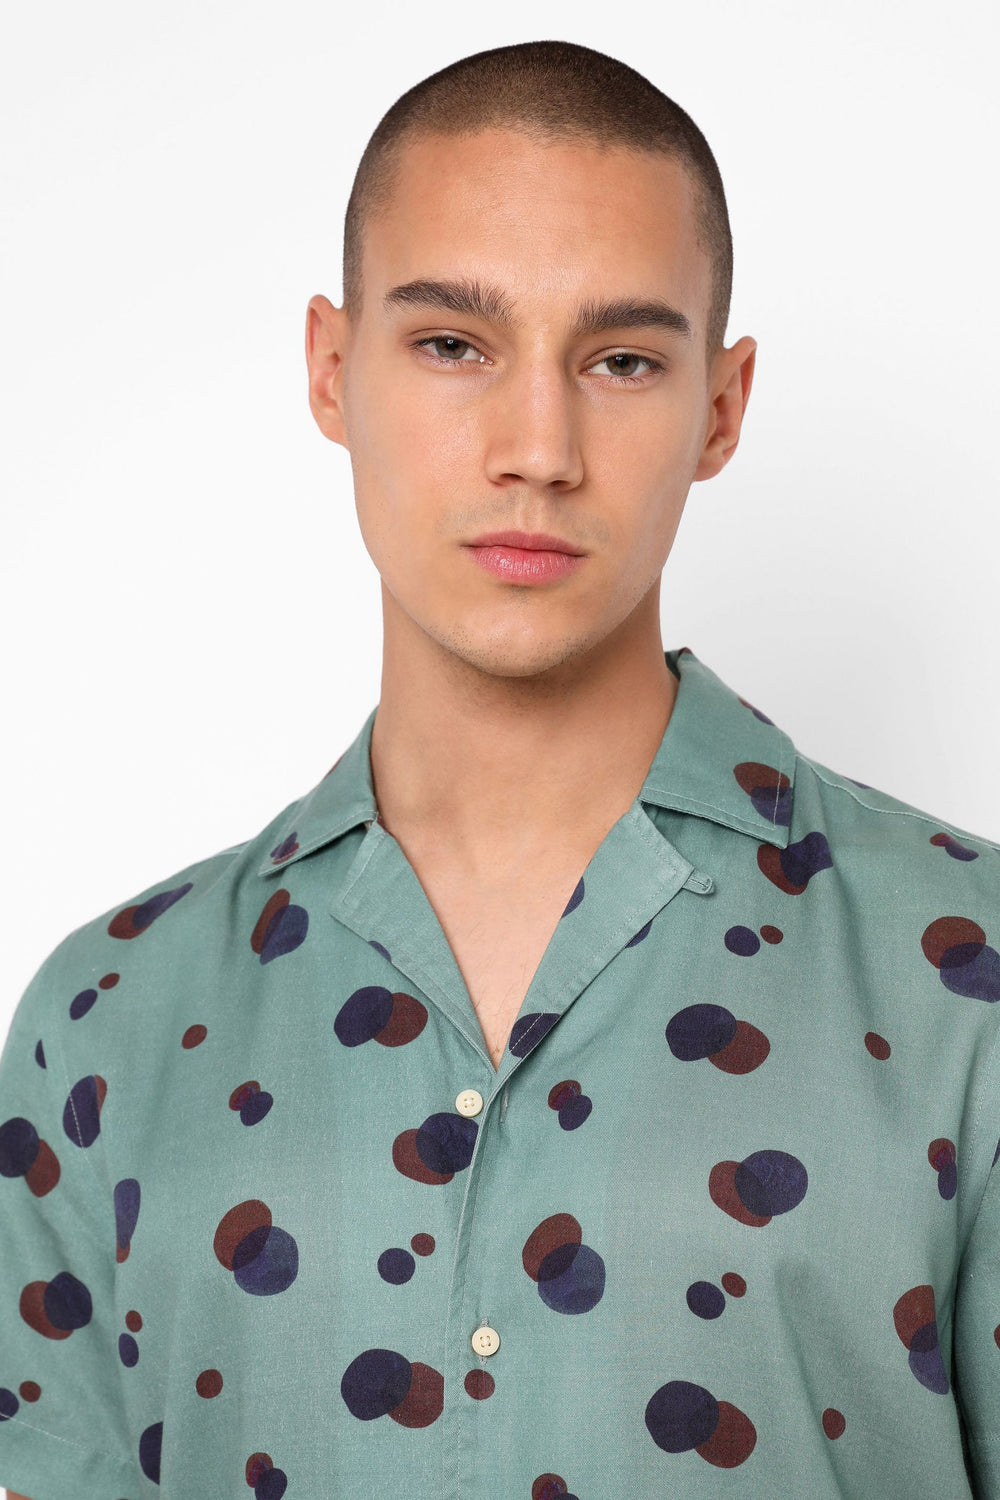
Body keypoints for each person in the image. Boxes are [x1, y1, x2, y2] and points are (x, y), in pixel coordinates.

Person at [1, 35, 998, 1500]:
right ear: (331, 369)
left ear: (721, 410)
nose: (538, 448)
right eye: (453, 346)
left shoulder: (966, 982)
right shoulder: (105, 1024)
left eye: (622, 360)